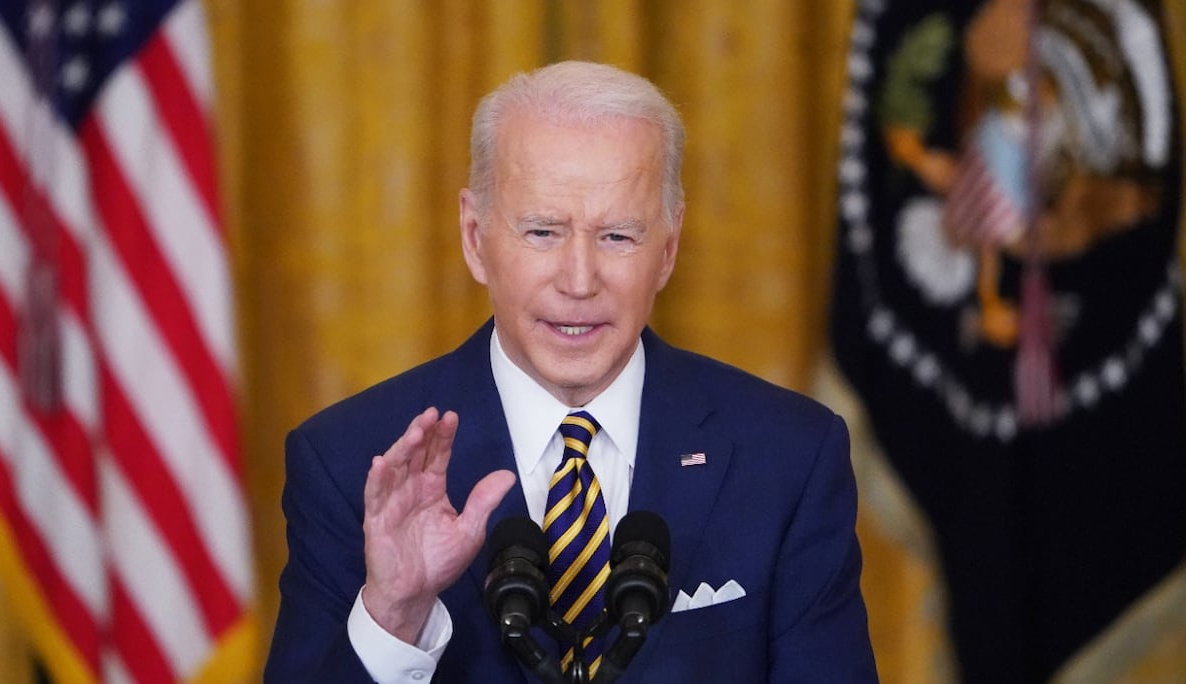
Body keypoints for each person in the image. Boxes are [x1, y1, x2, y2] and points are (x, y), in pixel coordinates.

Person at [265, 60, 877, 683]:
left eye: (616, 236)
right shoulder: (350, 464)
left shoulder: (788, 456)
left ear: (668, 248)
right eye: (542, 231)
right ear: (475, 238)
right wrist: (394, 615)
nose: (579, 281)